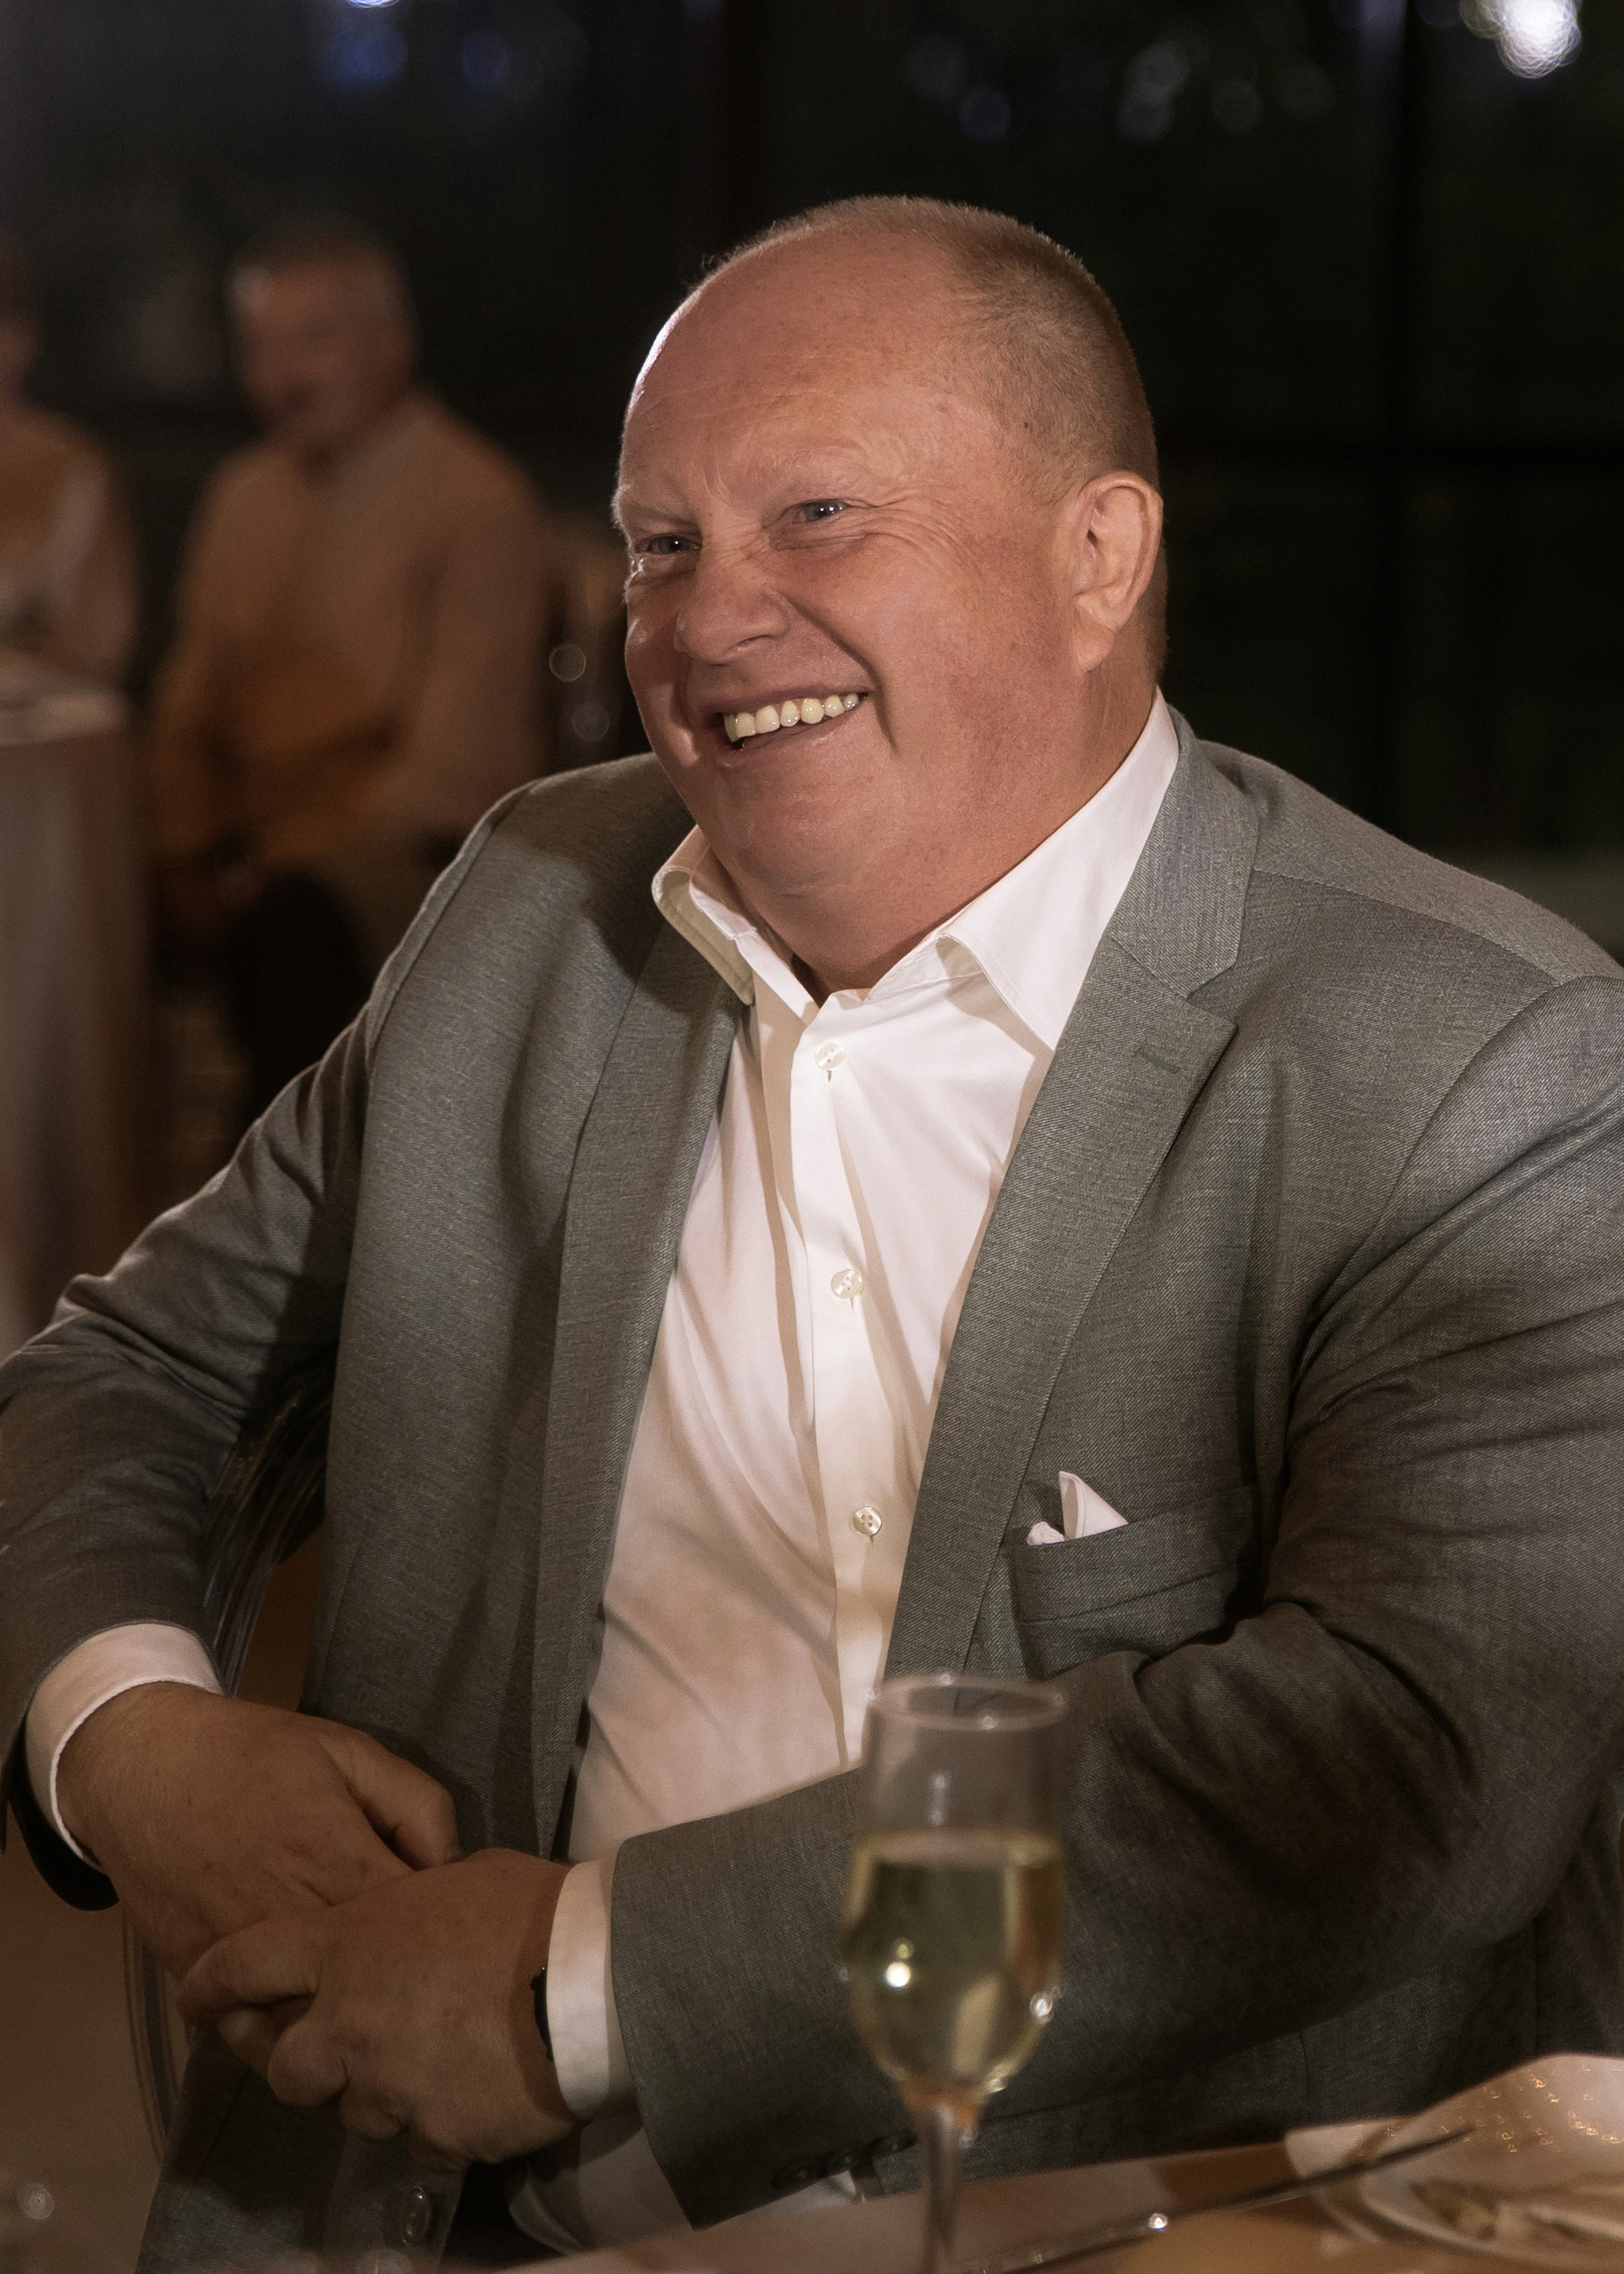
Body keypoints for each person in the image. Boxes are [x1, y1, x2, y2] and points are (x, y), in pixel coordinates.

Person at [3, 196, 1623, 2271]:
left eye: (818, 518)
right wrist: (129, 1735)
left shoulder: (1480, 1061)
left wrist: (580, 1986)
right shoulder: (529, 913)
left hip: (1126, 2222)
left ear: (1099, 556)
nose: (704, 621)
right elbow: (122, 1370)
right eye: (658, 543)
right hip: (452, 2212)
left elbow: (1409, 1758)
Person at [148, 216, 551, 1120]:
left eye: (316, 340)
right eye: (262, 347)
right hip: (244, 847)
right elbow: (187, 711)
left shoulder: (476, 502)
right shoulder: (242, 495)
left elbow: (452, 771)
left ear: (392, 343)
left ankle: (280, 1198)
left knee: (294, 925)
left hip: (401, 862)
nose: (284, 375)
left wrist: (257, 873)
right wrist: (178, 847)